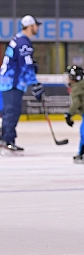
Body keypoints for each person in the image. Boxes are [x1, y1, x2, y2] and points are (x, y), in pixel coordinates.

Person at [0, 15, 44, 152]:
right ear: (30, 26)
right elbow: (26, 66)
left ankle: (6, 138)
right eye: (36, 25)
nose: (37, 28)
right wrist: (35, 84)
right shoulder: (23, 43)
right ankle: (6, 140)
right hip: (12, 83)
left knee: (11, 111)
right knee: (12, 111)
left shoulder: (18, 40)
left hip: (8, 82)